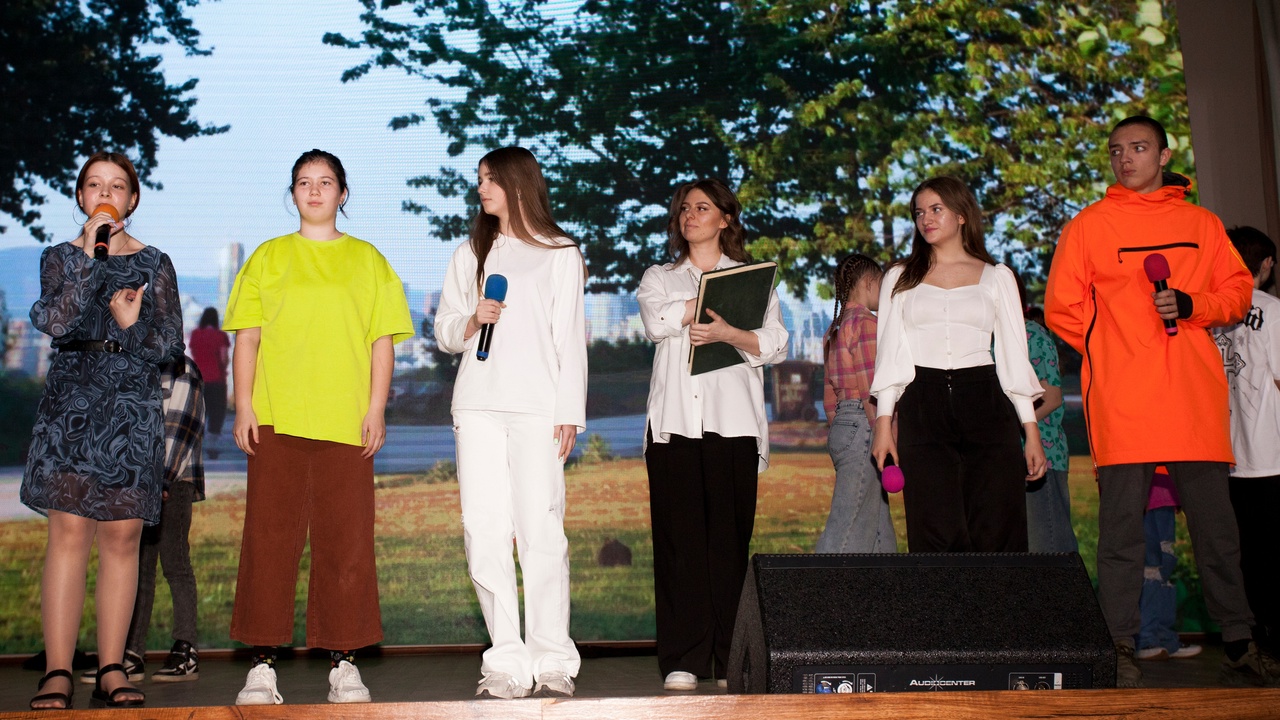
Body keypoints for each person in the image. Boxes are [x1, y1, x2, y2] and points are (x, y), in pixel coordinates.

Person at [1044, 115, 1275, 688]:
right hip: (1123, 401)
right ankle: (1119, 646)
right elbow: (1062, 308)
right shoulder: (1089, 226)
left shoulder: (1202, 223)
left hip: (1194, 400)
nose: (1125, 159)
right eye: (1116, 150)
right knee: (1121, 534)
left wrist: (1193, 306)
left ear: (1165, 155)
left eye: (1139, 147)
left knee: (1217, 533)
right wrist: (1114, 346)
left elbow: (1237, 291)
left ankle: (1240, 643)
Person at [224, 149, 414, 705]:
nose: (314, 190)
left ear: (343, 194)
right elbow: (248, 339)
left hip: (346, 423)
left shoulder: (368, 260)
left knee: (346, 542)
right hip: (276, 418)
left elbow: (382, 343)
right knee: (268, 540)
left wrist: (376, 409)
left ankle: (344, 662)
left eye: (325, 182)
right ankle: (262, 665)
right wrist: (243, 407)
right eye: (304, 182)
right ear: (292, 194)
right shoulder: (268, 257)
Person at [22, 151, 184, 709]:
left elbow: (170, 346)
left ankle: (113, 669)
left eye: (117, 186)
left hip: (131, 407)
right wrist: (91, 260)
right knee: (69, 534)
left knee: (122, 537)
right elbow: (56, 320)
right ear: (81, 197)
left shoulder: (156, 263)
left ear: (132, 199)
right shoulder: (61, 257)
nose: (106, 194)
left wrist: (131, 325)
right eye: (95, 185)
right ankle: (58, 671)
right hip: (72, 405)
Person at [435, 146, 587, 700]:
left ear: (520, 182)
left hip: (538, 408)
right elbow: (445, 331)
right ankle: (504, 661)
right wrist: (471, 318)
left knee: (541, 528)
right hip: (476, 406)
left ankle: (553, 659)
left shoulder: (560, 253)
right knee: (484, 529)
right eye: (479, 179)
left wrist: (569, 411)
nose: (481, 188)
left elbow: (570, 337)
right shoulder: (471, 253)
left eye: (491, 178)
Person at [639, 179, 789, 691]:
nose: (690, 215)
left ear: (726, 219)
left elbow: (776, 343)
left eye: (702, 207)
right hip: (675, 426)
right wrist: (701, 304)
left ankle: (730, 659)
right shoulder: (660, 276)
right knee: (678, 546)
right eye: (684, 208)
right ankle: (683, 657)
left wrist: (729, 333)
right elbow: (657, 320)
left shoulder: (753, 281)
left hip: (733, 424)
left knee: (729, 545)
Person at [869, 176, 1046, 554]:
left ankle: (1000, 596)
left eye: (936, 209)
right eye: (919, 212)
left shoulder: (997, 276)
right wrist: (884, 424)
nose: (926, 219)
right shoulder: (899, 277)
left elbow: (1014, 358)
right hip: (922, 404)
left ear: (962, 215)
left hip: (986, 401)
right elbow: (890, 356)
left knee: (997, 527)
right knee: (934, 529)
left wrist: (1031, 432)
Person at [79, 355, 207, 688]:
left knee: (175, 563)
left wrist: (162, 478)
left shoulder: (182, 370)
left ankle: (185, 648)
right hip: (138, 483)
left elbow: (182, 427)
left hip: (173, 481)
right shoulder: (135, 364)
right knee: (139, 566)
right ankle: (130, 653)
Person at [1214, 225, 1280, 656]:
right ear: (1267, 263)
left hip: (1229, 455)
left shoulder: (1213, 313)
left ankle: (1253, 639)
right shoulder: (1272, 310)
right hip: (1272, 455)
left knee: (1244, 556)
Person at [816, 254, 896, 553]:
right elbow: (870, 385)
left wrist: (840, 429)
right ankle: (818, 582)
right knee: (846, 528)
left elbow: (829, 394)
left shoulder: (834, 329)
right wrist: (885, 434)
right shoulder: (867, 324)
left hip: (844, 424)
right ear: (869, 283)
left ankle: (888, 581)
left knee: (877, 525)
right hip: (865, 424)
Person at [1011, 270, 1078, 554]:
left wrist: (1007, 427)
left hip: (1042, 457)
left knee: (1049, 548)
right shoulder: (988, 338)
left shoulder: (1031, 333)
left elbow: (1051, 397)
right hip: (1007, 460)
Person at [1137, 469, 1203, 661]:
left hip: (1166, 489)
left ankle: (1164, 638)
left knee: (1165, 564)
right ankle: (1145, 638)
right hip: (1141, 486)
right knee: (1149, 566)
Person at [188, 307, 230, 443]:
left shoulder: (195, 334)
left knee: (199, 411)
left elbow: (193, 353)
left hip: (199, 378)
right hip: (217, 379)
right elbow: (224, 358)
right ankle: (213, 442)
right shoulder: (220, 336)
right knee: (217, 411)